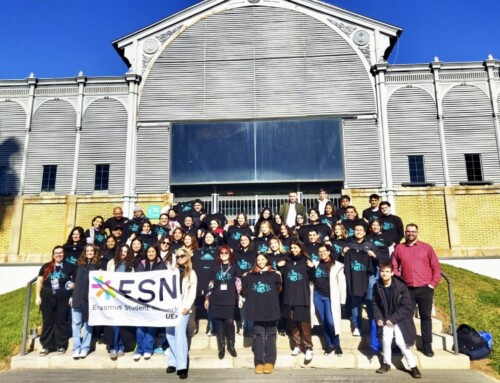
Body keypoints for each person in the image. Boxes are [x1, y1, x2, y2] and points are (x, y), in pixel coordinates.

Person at [392, 223, 441, 358]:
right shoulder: (400, 248)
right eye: (408, 231)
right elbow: (394, 265)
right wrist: (399, 282)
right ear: (405, 233)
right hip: (407, 289)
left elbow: (436, 267)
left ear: (417, 233)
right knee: (406, 317)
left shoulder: (427, 248)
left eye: (413, 231)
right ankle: (406, 343)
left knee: (425, 317)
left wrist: (432, 284)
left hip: (425, 288)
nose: (410, 234)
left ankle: (427, 346)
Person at [372, 262, 422, 379]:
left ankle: (413, 367)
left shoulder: (400, 286)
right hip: (385, 318)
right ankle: (386, 364)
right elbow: (375, 304)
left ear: (392, 273)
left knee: (401, 342)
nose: (384, 274)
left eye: (387, 271)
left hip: (400, 319)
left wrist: (393, 319)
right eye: (382, 271)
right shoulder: (377, 286)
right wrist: (379, 318)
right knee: (386, 340)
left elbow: (406, 306)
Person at [242, 253, 282, 374]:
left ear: (267, 260)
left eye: (263, 259)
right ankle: (259, 362)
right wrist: (245, 277)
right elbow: (244, 290)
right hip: (256, 310)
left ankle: (270, 362)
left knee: (271, 335)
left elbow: (279, 289)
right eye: (258, 260)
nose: (260, 261)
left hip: (271, 309)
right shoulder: (250, 275)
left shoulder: (274, 274)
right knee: (258, 336)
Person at [278, 240, 315, 362]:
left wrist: (312, 267)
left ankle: (309, 347)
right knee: (292, 322)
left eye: (295, 247)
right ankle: (297, 345)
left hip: (302, 296)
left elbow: (313, 277)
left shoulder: (305, 261)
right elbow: (280, 276)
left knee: (304, 322)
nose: (293, 250)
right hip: (289, 296)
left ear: (300, 248)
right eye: (292, 247)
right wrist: (279, 266)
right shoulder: (288, 261)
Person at [36, 246, 74, 356]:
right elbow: (39, 282)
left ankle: (60, 345)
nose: (58, 255)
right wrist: (38, 297)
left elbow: (73, 284)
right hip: (47, 297)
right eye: (56, 253)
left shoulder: (70, 267)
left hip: (63, 298)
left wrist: (71, 296)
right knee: (48, 321)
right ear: (53, 255)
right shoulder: (46, 267)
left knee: (61, 321)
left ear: (64, 254)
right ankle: (46, 346)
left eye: (61, 253)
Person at [165, 247, 198, 380]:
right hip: (169, 307)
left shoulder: (191, 272)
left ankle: (182, 366)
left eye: (182, 256)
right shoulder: (171, 271)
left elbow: (192, 291)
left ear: (187, 257)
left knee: (179, 335)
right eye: (177, 256)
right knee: (170, 334)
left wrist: (187, 306)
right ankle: (173, 361)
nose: (179, 258)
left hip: (182, 307)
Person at [204, 245, 240, 359]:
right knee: (219, 323)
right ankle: (222, 347)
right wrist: (207, 297)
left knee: (229, 322)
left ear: (229, 254)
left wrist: (240, 297)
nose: (224, 255)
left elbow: (238, 283)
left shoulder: (234, 267)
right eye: (222, 253)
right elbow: (211, 284)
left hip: (229, 298)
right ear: (219, 255)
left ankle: (231, 345)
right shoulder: (215, 268)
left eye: (226, 253)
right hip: (217, 298)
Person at [311, 244, 346, 356]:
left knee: (331, 322)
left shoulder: (337, 266)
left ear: (329, 251)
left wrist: (342, 300)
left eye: (324, 251)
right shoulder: (315, 264)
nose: (322, 253)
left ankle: (337, 344)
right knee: (324, 321)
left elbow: (342, 284)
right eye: (320, 251)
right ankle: (329, 345)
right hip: (317, 296)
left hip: (330, 297)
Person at [343, 224, 377, 336]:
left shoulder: (370, 245)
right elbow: (342, 260)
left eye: (360, 230)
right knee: (355, 301)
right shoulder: (349, 245)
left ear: (364, 232)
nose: (358, 232)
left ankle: (373, 326)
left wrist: (373, 255)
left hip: (368, 277)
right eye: (356, 230)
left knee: (369, 301)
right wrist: (344, 253)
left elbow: (379, 260)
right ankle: (357, 326)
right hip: (354, 278)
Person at [70, 244, 103, 359]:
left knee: (88, 324)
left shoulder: (98, 265)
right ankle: (76, 347)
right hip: (77, 297)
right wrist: (71, 296)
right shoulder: (79, 264)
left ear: (95, 252)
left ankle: (85, 348)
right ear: (84, 252)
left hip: (90, 299)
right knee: (76, 324)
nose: (89, 252)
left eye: (91, 250)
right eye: (87, 250)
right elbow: (72, 282)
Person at [134, 246, 166, 361]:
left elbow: (164, 279)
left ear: (156, 253)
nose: (151, 253)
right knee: (140, 325)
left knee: (151, 325)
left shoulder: (161, 264)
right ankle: (139, 349)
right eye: (149, 251)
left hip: (155, 299)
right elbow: (137, 278)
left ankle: (148, 349)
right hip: (141, 299)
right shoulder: (141, 263)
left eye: (153, 251)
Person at [106, 244, 135, 360]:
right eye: (122, 251)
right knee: (114, 323)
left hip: (124, 298)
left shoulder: (130, 267)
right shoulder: (111, 263)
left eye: (126, 251)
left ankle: (121, 346)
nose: (123, 253)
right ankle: (113, 346)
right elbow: (107, 278)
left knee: (123, 323)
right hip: (113, 297)